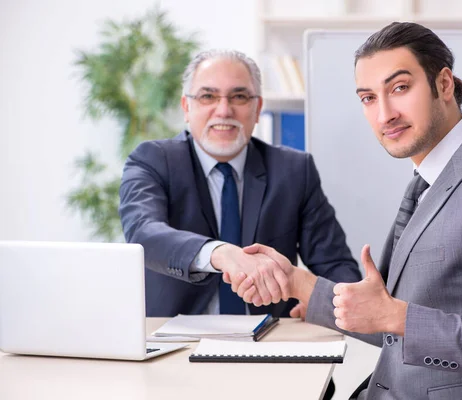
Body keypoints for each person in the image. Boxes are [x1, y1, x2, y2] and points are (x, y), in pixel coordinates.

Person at [238, 22, 462, 400]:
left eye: (399, 88)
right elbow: (392, 324)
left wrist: (395, 316)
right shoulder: (429, 180)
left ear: (444, 84)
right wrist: (297, 283)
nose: (384, 115)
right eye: (368, 98)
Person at [119, 49, 361, 318]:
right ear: (187, 107)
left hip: (271, 337)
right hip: (175, 339)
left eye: (239, 96)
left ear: (257, 108)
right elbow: (143, 232)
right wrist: (220, 253)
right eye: (208, 96)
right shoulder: (152, 160)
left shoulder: (293, 170)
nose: (224, 110)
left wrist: (326, 303)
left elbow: (337, 265)